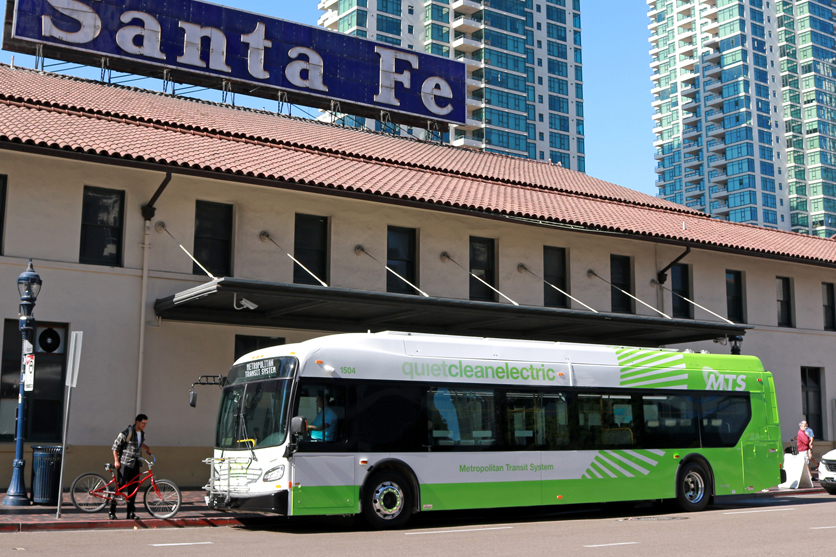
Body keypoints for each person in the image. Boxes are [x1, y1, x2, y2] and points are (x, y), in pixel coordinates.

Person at [110, 414, 152, 520]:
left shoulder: (142, 434)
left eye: (146, 424)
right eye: (143, 423)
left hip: (135, 464)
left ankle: (131, 513)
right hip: (124, 463)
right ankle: (112, 511)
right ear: (137, 422)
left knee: (133, 489)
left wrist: (147, 448)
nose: (144, 425)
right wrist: (116, 461)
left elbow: (139, 443)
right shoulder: (126, 432)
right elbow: (115, 447)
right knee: (120, 488)